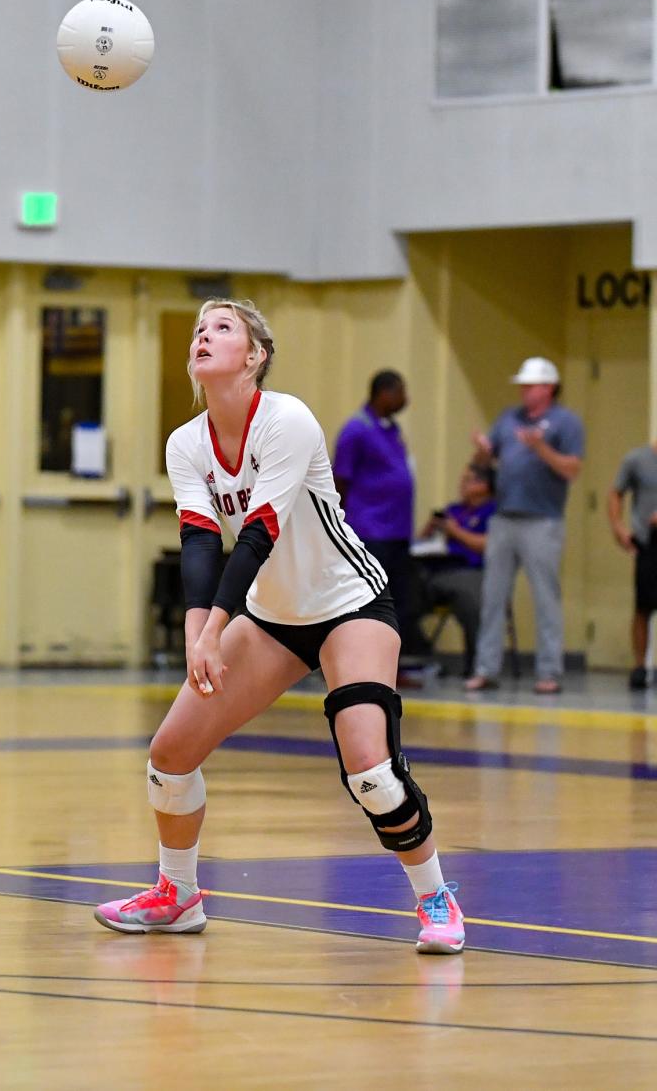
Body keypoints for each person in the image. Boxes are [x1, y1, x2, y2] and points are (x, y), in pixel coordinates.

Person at [94, 299, 464, 953]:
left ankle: (436, 897)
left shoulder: (287, 420)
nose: (205, 336)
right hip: (272, 614)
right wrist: (194, 631)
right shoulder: (186, 442)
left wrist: (214, 630)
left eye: (223, 328)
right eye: (199, 329)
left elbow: (258, 533)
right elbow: (201, 539)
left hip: (348, 602)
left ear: (256, 354)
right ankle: (176, 895)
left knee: (371, 772)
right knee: (170, 755)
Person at [465, 357, 584, 695]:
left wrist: (540, 448)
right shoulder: (508, 419)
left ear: (548, 388)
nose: (524, 391)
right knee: (493, 596)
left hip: (542, 521)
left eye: (530, 386)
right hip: (503, 517)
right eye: (523, 386)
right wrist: (484, 452)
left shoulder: (566, 423)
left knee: (546, 596)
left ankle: (549, 672)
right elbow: (487, 462)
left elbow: (572, 469)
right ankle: (486, 668)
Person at [332, 371, 423, 679]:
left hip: (397, 531)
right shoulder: (356, 430)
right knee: (371, 603)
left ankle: (389, 669)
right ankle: (361, 667)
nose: (405, 399)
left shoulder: (392, 429)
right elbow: (340, 479)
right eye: (400, 391)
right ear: (383, 393)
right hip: (371, 531)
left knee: (399, 602)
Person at [413, 463, 497, 677]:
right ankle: (416, 656)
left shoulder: (493, 512)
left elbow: (487, 545)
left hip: (472, 569)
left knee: (471, 597)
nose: (462, 484)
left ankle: (478, 666)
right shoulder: (454, 510)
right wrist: (429, 529)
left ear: (484, 486)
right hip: (438, 569)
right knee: (399, 588)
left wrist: (455, 531)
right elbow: (420, 543)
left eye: (468, 480)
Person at [607, 441, 657, 690]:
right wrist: (618, 527)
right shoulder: (636, 459)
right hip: (648, 541)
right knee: (643, 606)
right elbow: (616, 492)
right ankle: (639, 665)